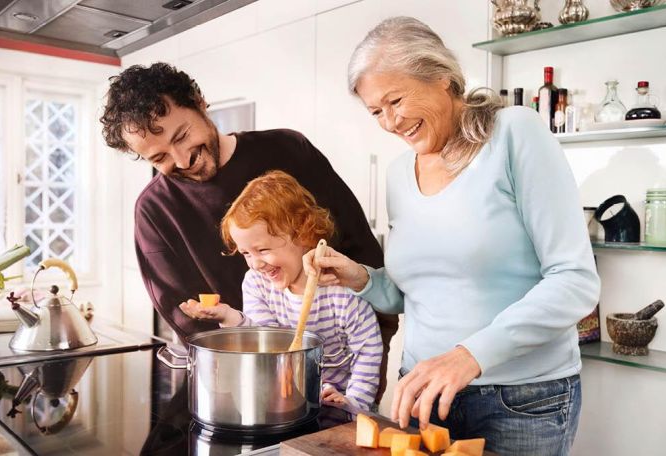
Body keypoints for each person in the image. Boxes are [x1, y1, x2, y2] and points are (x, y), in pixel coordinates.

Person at [303, 17, 600, 456]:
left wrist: (467, 356)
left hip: (519, 401)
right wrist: (362, 278)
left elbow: (575, 281)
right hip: (424, 394)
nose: (389, 121)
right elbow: (416, 294)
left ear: (442, 77)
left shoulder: (514, 133)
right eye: (375, 111)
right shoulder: (399, 174)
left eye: (395, 100)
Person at [99, 62, 397, 404]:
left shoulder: (289, 150)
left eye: (181, 136)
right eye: (159, 157)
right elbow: (193, 327)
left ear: (199, 101)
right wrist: (249, 393)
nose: (181, 160)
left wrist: (361, 390)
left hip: (343, 385)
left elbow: (365, 262)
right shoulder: (153, 212)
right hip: (246, 393)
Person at [180, 170, 383, 410]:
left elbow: (368, 347)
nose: (255, 264)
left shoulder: (340, 287)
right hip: (283, 403)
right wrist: (229, 317)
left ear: (303, 235)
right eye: (246, 253)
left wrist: (354, 402)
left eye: (263, 250)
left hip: (339, 406)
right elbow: (265, 342)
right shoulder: (257, 283)